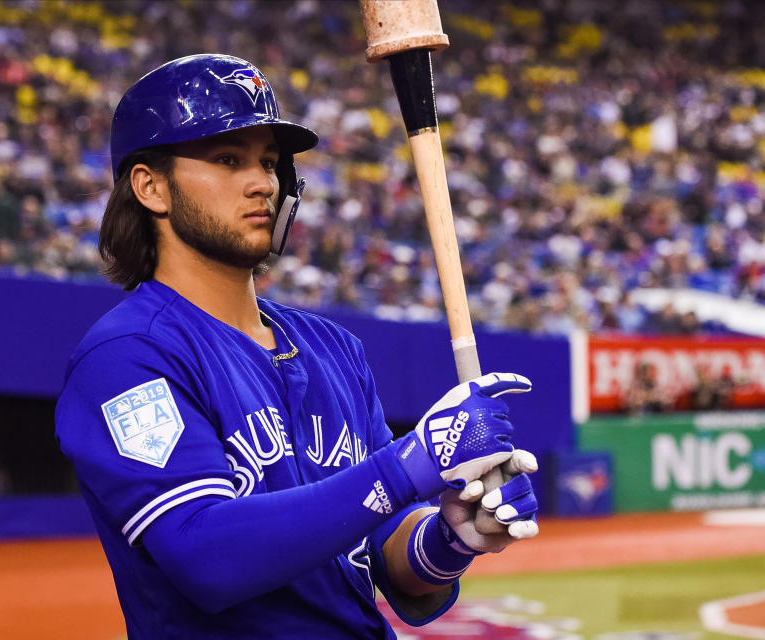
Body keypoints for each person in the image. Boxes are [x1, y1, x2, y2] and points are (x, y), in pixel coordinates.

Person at [55, 54, 540, 639]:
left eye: (269, 162)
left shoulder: (333, 349)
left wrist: (449, 538)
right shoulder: (128, 356)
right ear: (151, 186)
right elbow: (205, 555)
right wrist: (410, 464)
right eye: (228, 160)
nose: (263, 182)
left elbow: (390, 562)